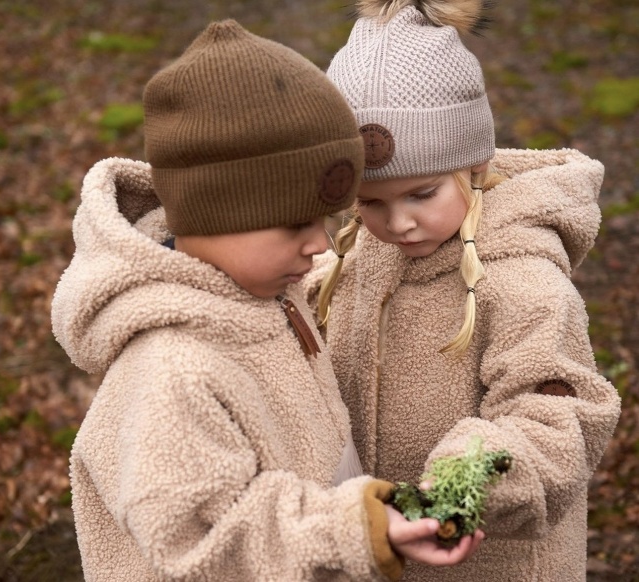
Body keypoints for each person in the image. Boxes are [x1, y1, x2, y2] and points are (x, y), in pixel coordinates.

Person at [51, 19, 484, 582]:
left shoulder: (259, 290)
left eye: (326, 221)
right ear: (216, 214)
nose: (319, 244)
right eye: (295, 225)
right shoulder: (172, 368)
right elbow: (204, 538)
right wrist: (360, 527)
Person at [308, 1, 622, 581]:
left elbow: (557, 416)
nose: (398, 222)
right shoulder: (360, 260)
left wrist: (462, 482)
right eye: (371, 203)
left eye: (421, 194)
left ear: (473, 165)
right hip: (385, 554)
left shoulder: (523, 283)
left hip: (491, 565)